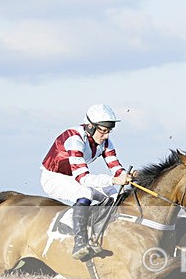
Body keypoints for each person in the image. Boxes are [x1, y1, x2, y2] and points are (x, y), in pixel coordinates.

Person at [40, 104, 130, 260]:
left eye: (109, 131)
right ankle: (79, 242)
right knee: (85, 192)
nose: (107, 135)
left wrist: (127, 176)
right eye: (103, 130)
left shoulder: (106, 142)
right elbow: (83, 178)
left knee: (114, 194)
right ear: (90, 126)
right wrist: (115, 179)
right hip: (54, 177)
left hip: (74, 177)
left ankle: (97, 230)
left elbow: (115, 167)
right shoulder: (74, 139)